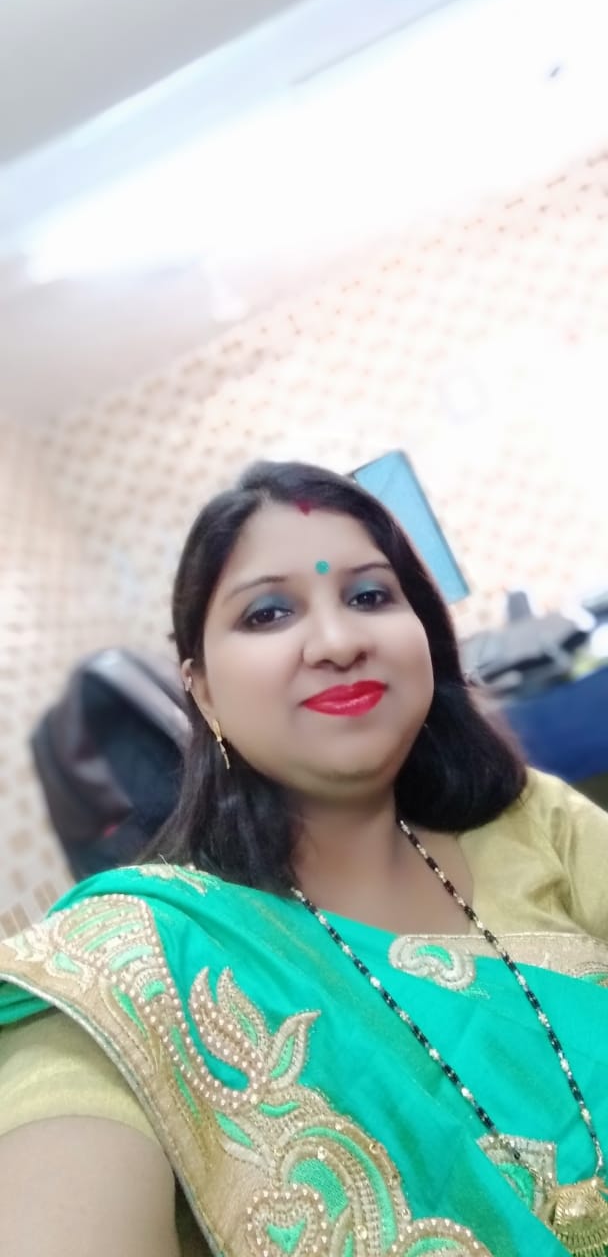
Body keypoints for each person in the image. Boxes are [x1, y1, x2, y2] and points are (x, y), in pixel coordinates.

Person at [0, 460, 607, 1257]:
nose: (339, 641)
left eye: (370, 596)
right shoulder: (140, 957)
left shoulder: (534, 822)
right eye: (269, 612)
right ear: (202, 691)